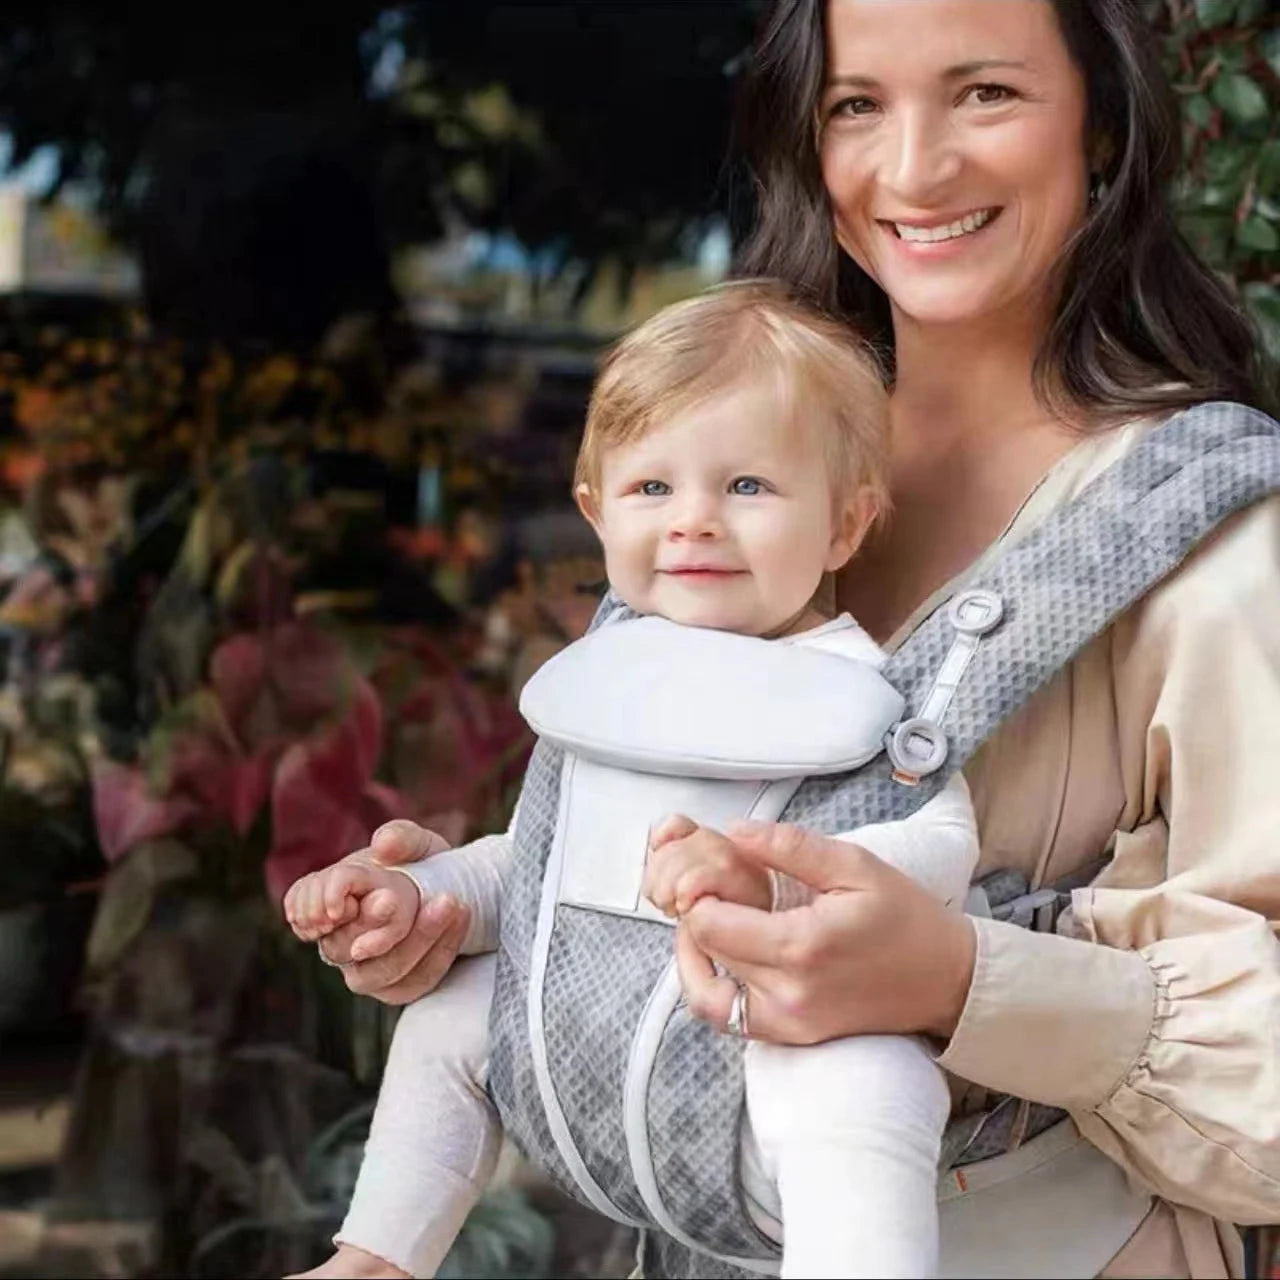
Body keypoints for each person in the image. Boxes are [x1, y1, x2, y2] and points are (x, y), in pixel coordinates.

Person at [315, 1, 1280, 1276]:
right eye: (855, 105)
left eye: (986, 92)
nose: (913, 165)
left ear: (1101, 129)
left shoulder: (1210, 536)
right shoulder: (718, 466)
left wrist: (955, 976)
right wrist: (487, 905)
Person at [287, 278, 984, 1279]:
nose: (693, 520)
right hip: (590, 1057)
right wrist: (419, 896)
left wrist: (776, 881)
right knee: (447, 1007)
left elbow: (937, 848)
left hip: (763, 1058)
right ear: (595, 514)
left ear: (843, 525)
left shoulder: (866, 698)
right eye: (652, 488)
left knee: (868, 1080)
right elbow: (535, 873)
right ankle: (375, 1256)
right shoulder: (604, 688)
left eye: (746, 486)